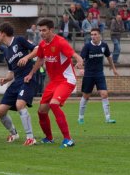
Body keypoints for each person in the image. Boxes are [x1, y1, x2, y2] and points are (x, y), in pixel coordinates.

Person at [19, 18, 84, 148]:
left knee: (54, 105)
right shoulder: (43, 44)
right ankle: (49, 138)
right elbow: (40, 59)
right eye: (40, 31)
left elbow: (74, 54)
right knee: (41, 111)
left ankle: (68, 139)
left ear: (51, 30)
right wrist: (31, 74)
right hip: (54, 82)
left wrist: (79, 61)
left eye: (44, 30)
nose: (42, 33)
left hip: (66, 80)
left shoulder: (60, 42)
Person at [0, 22, 38, 146]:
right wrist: (5, 80)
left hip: (27, 79)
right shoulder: (6, 52)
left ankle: (30, 138)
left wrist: (27, 57)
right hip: (16, 81)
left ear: (3, 34)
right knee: (1, 111)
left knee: (20, 105)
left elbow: (37, 49)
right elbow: (11, 72)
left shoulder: (19, 40)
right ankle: (14, 133)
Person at [78, 28, 119, 124]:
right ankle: (80, 117)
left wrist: (113, 69)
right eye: (91, 34)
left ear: (99, 35)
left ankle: (108, 118)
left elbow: (109, 57)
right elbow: (81, 58)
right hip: (88, 74)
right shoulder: (87, 46)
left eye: (95, 34)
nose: (93, 36)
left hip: (99, 74)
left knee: (104, 94)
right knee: (86, 96)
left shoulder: (104, 46)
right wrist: (80, 67)